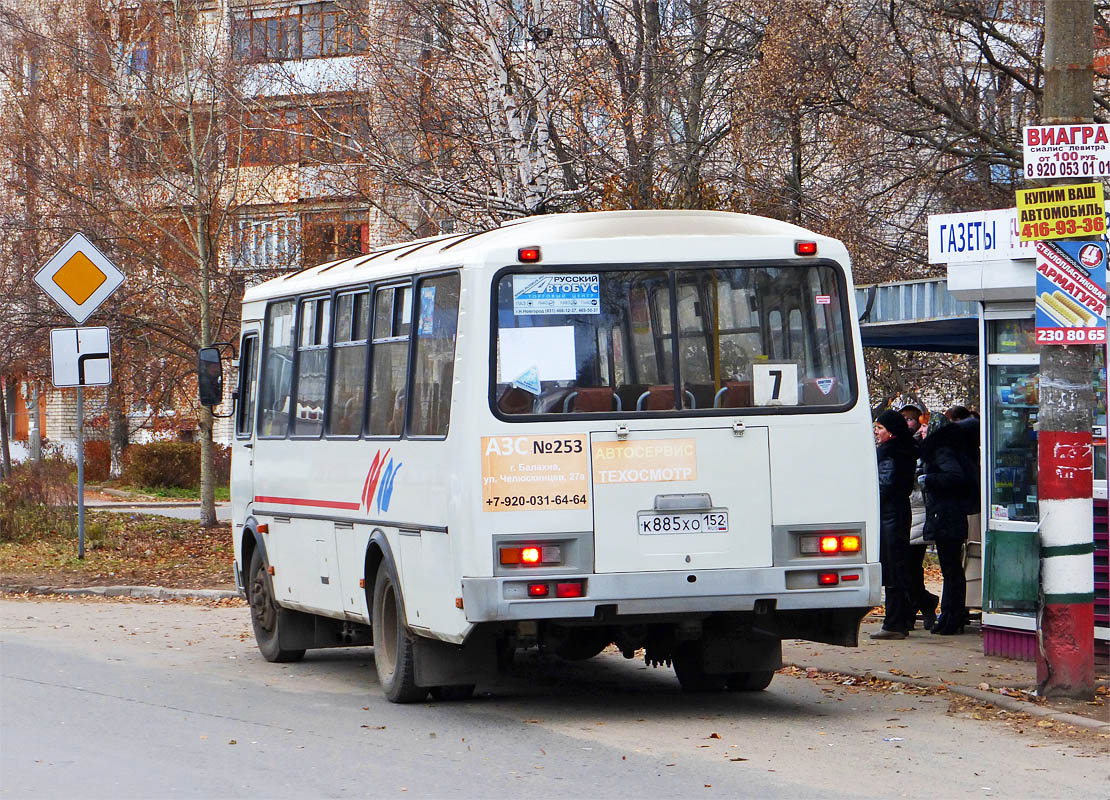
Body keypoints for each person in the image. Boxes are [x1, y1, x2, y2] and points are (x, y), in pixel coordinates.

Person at [918, 410, 976, 635]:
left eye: (925, 427)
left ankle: (952, 617)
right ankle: (952, 615)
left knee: (951, 570)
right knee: (952, 570)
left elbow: (954, 477)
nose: (922, 431)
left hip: (946, 515)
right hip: (948, 515)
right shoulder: (946, 449)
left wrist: (928, 479)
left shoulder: (941, 451)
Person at [871, 409, 919, 640]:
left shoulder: (889, 454)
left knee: (893, 567)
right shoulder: (903, 450)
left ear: (891, 432)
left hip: (890, 515)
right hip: (897, 512)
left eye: (880, 429)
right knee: (897, 566)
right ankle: (902, 618)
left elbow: (884, 485)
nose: (876, 432)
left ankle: (894, 623)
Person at [901, 405, 938, 631]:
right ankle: (919, 604)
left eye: (910, 419)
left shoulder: (919, 448)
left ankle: (921, 604)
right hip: (909, 514)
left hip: (917, 513)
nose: (907, 423)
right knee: (907, 569)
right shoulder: (902, 446)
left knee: (911, 568)